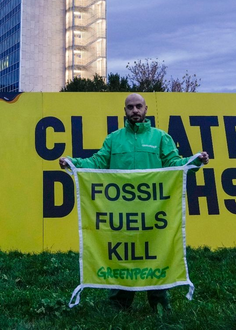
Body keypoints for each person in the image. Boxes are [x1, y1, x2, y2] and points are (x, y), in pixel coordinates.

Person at [58, 93, 209, 315]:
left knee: (155, 253)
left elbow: (175, 164)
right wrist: (73, 163)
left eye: (139, 106)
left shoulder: (160, 138)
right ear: (125, 111)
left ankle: (159, 302)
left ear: (146, 109)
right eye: (130, 107)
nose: (135, 110)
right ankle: (119, 303)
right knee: (122, 256)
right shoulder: (113, 139)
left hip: (153, 213)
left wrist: (195, 161)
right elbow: (97, 162)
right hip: (122, 214)